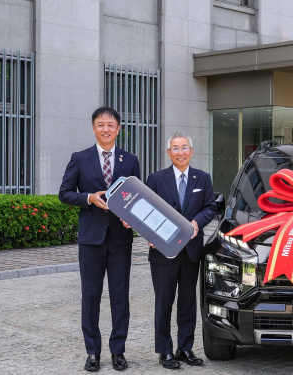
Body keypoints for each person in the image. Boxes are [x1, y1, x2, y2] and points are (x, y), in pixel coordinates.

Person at [58, 107, 140, 372]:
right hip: (91, 239)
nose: (106, 129)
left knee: (120, 297)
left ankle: (118, 351)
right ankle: (92, 351)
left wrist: (133, 218)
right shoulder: (80, 158)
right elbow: (65, 193)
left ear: (118, 128)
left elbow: (136, 197)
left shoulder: (130, 160)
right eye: (101, 124)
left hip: (120, 239)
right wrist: (89, 198)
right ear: (93, 128)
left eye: (111, 124)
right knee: (91, 297)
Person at [129, 131, 215, 369]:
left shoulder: (203, 178)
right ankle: (165, 351)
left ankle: (185, 348)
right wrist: (149, 234)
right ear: (168, 153)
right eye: (175, 148)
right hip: (162, 251)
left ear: (191, 151)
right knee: (164, 301)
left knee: (188, 302)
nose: (180, 152)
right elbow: (144, 209)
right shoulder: (156, 179)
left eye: (184, 148)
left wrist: (197, 222)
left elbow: (210, 208)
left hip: (191, 250)